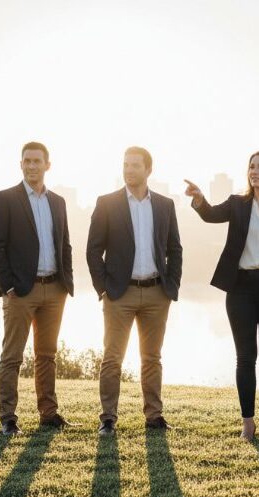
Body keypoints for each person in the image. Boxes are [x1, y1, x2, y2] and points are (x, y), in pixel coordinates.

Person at [183, 150, 259, 441]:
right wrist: (199, 199)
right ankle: (247, 423)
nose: (254, 171)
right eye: (251, 167)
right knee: (245, 358)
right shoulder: (237, 204)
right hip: (241, 289)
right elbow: (211, 215)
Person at [86, 146, 183, 435]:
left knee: (152, 358)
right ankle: (108, 419)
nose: (128, 170)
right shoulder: (107, 203)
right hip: (119, 293)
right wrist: (103, 288)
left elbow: (174, 249)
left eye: (135, 165)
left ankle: (154, 417)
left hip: (156, 293)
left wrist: (171, 287)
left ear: (148, 170)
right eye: (125, 165)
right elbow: (93, 250)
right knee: (112, 358)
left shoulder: (165, 205)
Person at [0, 141, 75, 436]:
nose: (32, 166)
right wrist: (8, 285)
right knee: (12, 356)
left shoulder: (58, 202)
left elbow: (65, 244)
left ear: (47, 165)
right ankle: (8, 418)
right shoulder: (5, 199)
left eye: (37, 161)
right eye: (27, 161)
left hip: (54, 289)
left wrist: (67, 283)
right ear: (21, 164)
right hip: (19, 291)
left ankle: (48, 414)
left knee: (47, 356)